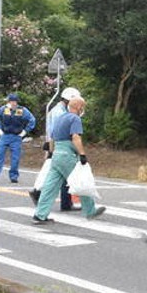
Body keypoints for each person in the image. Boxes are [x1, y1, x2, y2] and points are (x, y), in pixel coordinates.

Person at [32, 95, 105, 223]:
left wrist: (50, 152)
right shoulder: (74, 118)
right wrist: (82, 154)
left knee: (50, 186)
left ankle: (39, 214)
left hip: (56, 154)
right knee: (80, 181)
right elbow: (75, 137)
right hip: (67, 154)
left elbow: (52, 138)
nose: (83, 109)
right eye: (83, 107)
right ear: (78, 107)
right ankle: (90, 211)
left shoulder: (60, 118)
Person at [29, 87, 81, 210]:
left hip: (55, 145)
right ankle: (38, 193)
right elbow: (57, 131)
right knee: (57, 175)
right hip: (59, 146)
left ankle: (65, 203)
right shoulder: (60, 112)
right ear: (69, 100)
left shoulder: (60, 110)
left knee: (57, 174)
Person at [0, 93, 36, 183]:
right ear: (8, 102)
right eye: (11, 101)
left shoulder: (22, 110)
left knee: (15, 158)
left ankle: (14, 176)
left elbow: (32, 120)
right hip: (4, 135)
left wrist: (25, 131)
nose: (13, 103)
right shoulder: (3, 109)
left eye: (15, 101)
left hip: (16, 136)